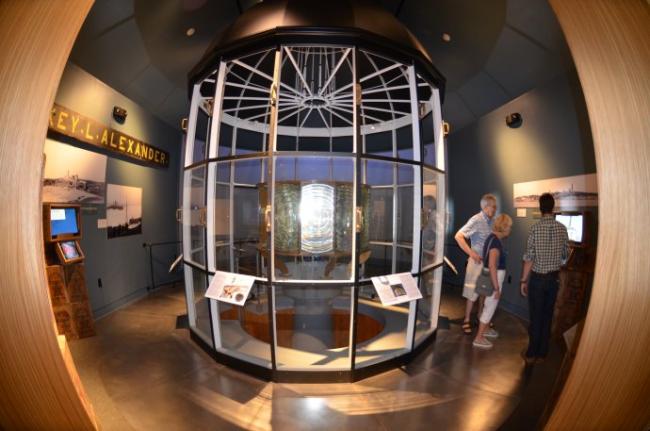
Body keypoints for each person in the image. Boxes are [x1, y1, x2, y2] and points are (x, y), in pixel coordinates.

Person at [520, 193, 569, 364]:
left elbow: (529, 258)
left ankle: (531, 354)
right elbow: (565, 256)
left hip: (538, 280)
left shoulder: (535, 228)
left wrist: (523, 280)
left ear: (540, 208)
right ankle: (542, 353)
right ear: (553, 208)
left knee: (536, 316)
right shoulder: (562, 228)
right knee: (548, 316)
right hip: (553, 280)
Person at [455, 193, 497, 335]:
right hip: (476, 263)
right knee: (471, 293)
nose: (495, 209)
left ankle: (480, 316)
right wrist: (471, 254)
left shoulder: (491, 222)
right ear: (486, 206)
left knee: (483, 292)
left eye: (495, 207)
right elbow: (459, 236)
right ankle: (466, 319)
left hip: (486, 263)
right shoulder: (476, 219)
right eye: (493, 206)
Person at [473, 214, 513, 349]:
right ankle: (479, 337)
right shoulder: (495, 242)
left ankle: (485, 330)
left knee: (488, 305)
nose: (510, 229)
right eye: (510, 226)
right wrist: (496, 288)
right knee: (490, 307)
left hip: (491, 276)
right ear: (504, 227)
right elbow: (492, 266)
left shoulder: (491, 237)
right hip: (494, 278)